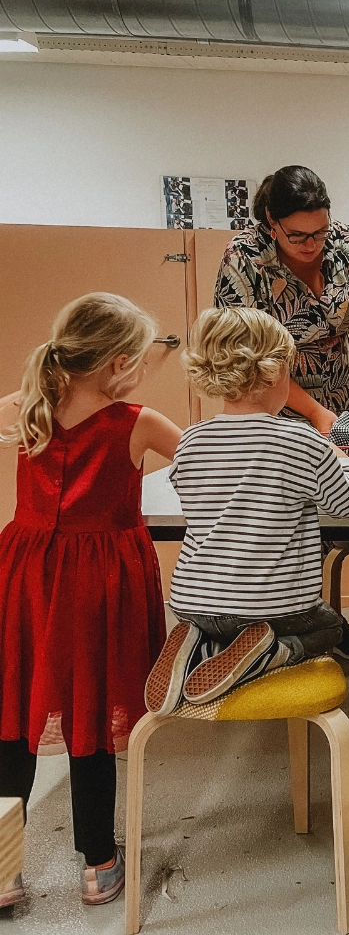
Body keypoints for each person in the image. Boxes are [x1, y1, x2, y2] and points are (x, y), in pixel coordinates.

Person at [0, 293, 181, 908]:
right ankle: (99, 864)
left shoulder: (26, 407)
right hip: (101, 583)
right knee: (92, 712)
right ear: (122, 363)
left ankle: (3, 871)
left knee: (15, 710)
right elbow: (207, 464)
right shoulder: (139, 422)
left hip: (25, 574)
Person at [214, 165, 349, 663]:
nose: (312, 243)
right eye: (298, 234)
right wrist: (319, 416)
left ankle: (315, 623)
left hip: (341, 394)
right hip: (270, 397)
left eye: (320, 230)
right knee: (287, 520)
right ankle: (275, 634)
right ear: (270, 223)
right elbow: (252, 353)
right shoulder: (244, 259)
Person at [147, 307, 349, 714]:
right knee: (331, 625)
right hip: (277, 607)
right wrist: (345, 461)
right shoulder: (299, 439)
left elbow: (185, 488)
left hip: (192, 602)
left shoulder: (192, 440)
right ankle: (271, 651)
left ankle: (195, 646)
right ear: (275, 373)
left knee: (223, 623)